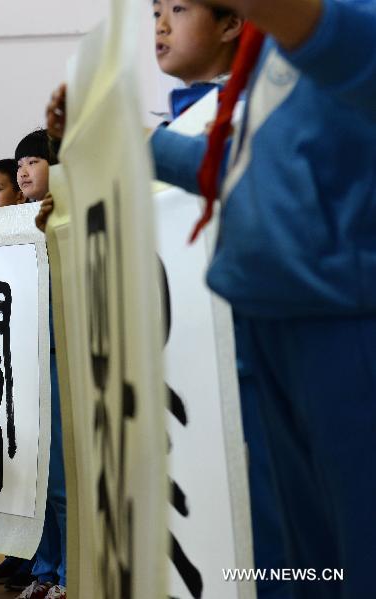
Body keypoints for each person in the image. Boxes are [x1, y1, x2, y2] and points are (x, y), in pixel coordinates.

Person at [153, 1, 376, 596]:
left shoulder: (328, 21)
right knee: (302, 552)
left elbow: (348, 46)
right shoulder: (277, 44)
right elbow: (239, 166)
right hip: (272, 312)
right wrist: (134, 142)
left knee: (356, 545)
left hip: (341, 318)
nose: (162, 19)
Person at [11, 129, 66, 599]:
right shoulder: (14, 224)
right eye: (20, 164)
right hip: (26, 366)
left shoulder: (69, 220)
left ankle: (70, 573)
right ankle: (45, 571)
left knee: (63, 478)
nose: (24, 171)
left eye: (34, 161)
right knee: (39, 483)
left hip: (61, 363)